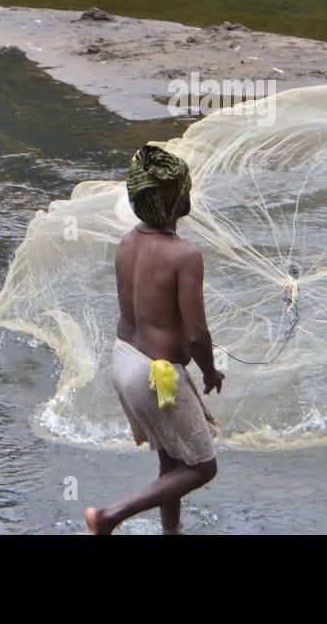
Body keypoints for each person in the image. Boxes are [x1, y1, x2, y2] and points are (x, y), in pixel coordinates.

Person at [85, 144, 223, 535]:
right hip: (155, 374)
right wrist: (211, 372)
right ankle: (109, 516)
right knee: (201, 466)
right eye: (184, 189)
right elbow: (196, 333)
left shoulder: (128, 242)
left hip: (124, 358)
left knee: (171, 460)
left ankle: (171, 532)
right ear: (173, 200)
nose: (189, 195)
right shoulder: (184, 254)